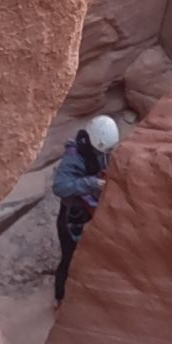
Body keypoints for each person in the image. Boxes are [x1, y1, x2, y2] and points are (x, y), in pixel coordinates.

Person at [50, 114, 119, 303]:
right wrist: (91, 183)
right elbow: (60, 186)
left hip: (88, 210)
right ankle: (60, 298)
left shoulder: (98, 150)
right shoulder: (74, 158)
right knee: (68, 258)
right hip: (71, 218)